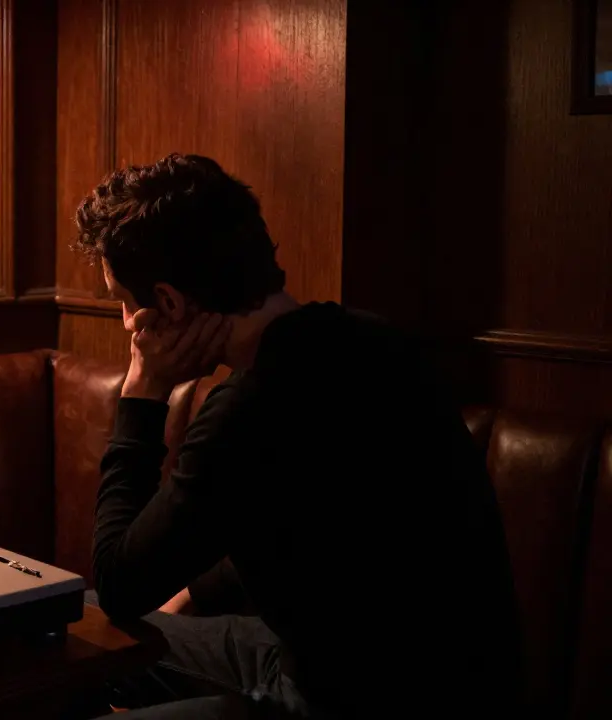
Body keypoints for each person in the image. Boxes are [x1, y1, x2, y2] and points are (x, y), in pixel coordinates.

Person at [74, 154, 523, 719]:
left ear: (167, 303)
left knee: (92, 625)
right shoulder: (373, 341)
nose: (125, 321)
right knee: (77, 623)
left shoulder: (250, 408)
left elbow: (119, 584)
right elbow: (313, 526)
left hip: (341, 702)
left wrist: (143, 392)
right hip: (461, 687)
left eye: (123, 300)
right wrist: (194, 596)